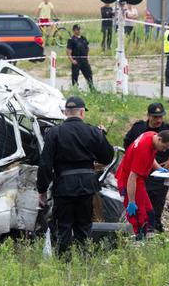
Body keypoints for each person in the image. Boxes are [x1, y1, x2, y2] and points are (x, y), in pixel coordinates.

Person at [36, 96, 114, 256]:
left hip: (64, 187)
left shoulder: (54, 133)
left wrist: (42, 190)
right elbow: (107, 157)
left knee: (63, 227)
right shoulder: (93, 132)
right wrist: (101, 138)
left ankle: (63, 260)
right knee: (84, 226)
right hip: (87, 187)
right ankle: (83, 258)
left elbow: (45, 164)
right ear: (82, 113)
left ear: (65, 112)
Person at [123, 103, 169, 233]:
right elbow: (127, 144)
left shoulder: (168, 130)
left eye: (161, 117)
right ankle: (141, 229)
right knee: (141, 202)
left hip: (160, 171)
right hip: (140, 170)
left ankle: (155, 226)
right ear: (148, 116)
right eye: (155, 117)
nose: (158, 120)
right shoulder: (139, 128)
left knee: (157, 202)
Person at [116, 130, 169, 238]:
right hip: (130, 182)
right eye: (164, 147)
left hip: (138, 181)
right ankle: (138, 241)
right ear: (159, 139)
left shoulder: (151, 135)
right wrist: (131, 201)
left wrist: (159, 168)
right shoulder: (143, 150)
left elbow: (150, 156)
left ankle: (148, 240)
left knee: (150, 213)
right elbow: (132, 177)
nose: (164, 150)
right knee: (139, 217)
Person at [66, 24, 95, 90]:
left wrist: (87, 58)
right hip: (76, 60)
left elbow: (87, 48)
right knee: (75, 75)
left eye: (79, 29)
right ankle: (75, 89)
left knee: (89, 74)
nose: (79, 31)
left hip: (84, 59)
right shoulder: (71, 40)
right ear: (74, 30)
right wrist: (72, 60)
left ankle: (92, 89)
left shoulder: (83, 38)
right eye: (77, 29)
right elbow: (68, 51)